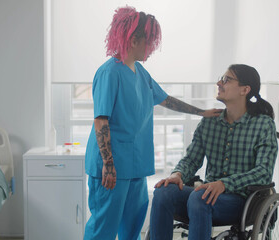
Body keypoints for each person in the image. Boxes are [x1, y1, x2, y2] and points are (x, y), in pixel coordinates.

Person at [84, 6, 222, 240]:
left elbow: (165, 99)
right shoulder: (109, 73)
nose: (152, 48)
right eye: (150, 42)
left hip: (136, 166)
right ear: (134, 39)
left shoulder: (140, 72)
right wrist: (108, 163)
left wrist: (202, 112)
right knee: (103, 228)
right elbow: (101, 120)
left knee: (132, 227)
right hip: (113, 167)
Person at [149, 64, 278, 240]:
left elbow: (263, 172)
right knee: (163, 192)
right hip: (206, 195)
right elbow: (191, 159)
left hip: (242, 200)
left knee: (200, 197)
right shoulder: (210, 122)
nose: (219, 83)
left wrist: (225, 183)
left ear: (245, 89)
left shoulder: (263, 125)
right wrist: (177, 174)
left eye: (227, 79)